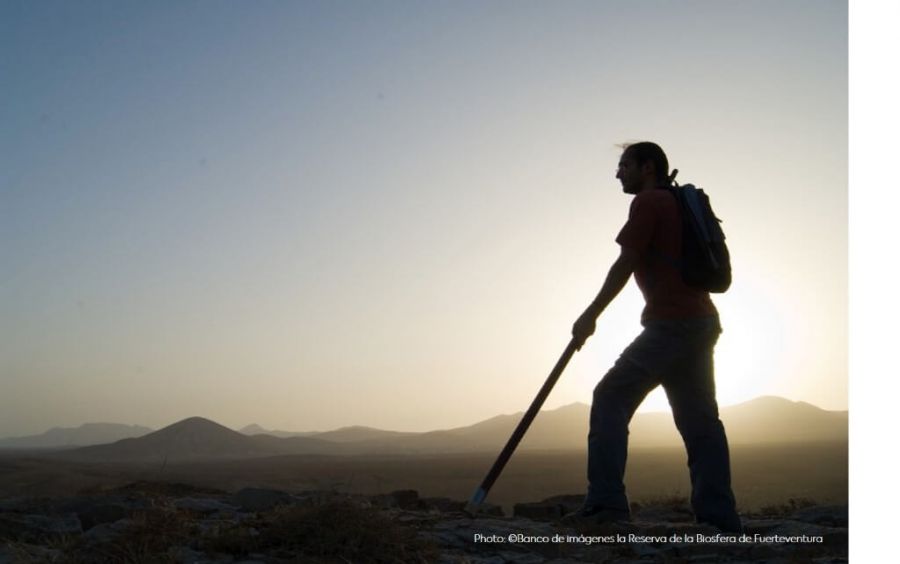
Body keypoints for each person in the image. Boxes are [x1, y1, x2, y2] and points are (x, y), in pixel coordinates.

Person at [566, 141, 742, 533]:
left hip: (671, 326)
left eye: (624, 165)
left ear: (647, 167)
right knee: (700, 422)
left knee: (610, 397)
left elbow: (625, 262)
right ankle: (720, 517)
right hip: (701, 322)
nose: (618, 174)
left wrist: (590, 315)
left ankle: (605, 505)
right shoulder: (678, 203)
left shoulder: (648, 204)